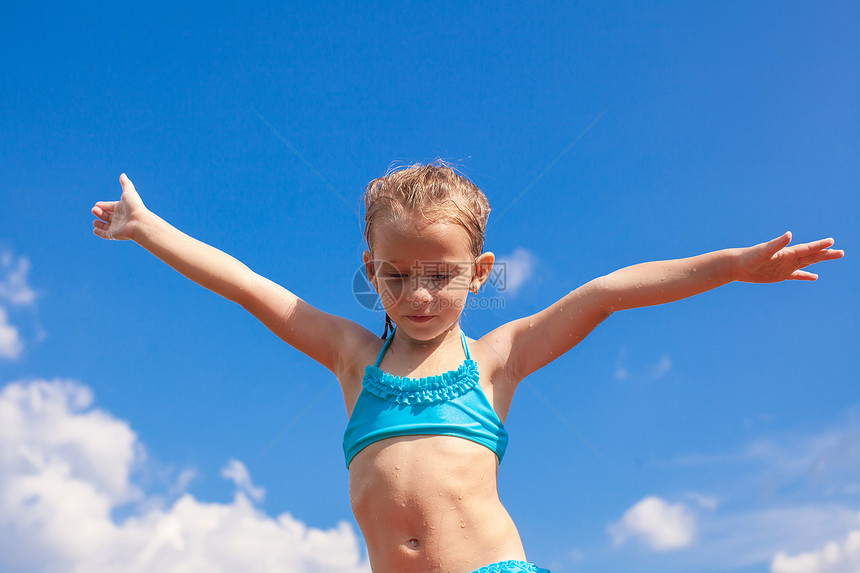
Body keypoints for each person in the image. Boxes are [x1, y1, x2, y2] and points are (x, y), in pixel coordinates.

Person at [92, 163, 843, 573]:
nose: (418, 295)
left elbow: (609, 292)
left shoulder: (498, 361)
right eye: (396, 275)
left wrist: (733, 266)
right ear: (371, 269)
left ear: (480, 270)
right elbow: (251, 287)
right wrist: (149, 229)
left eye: (442, 275)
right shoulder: (354, 358)